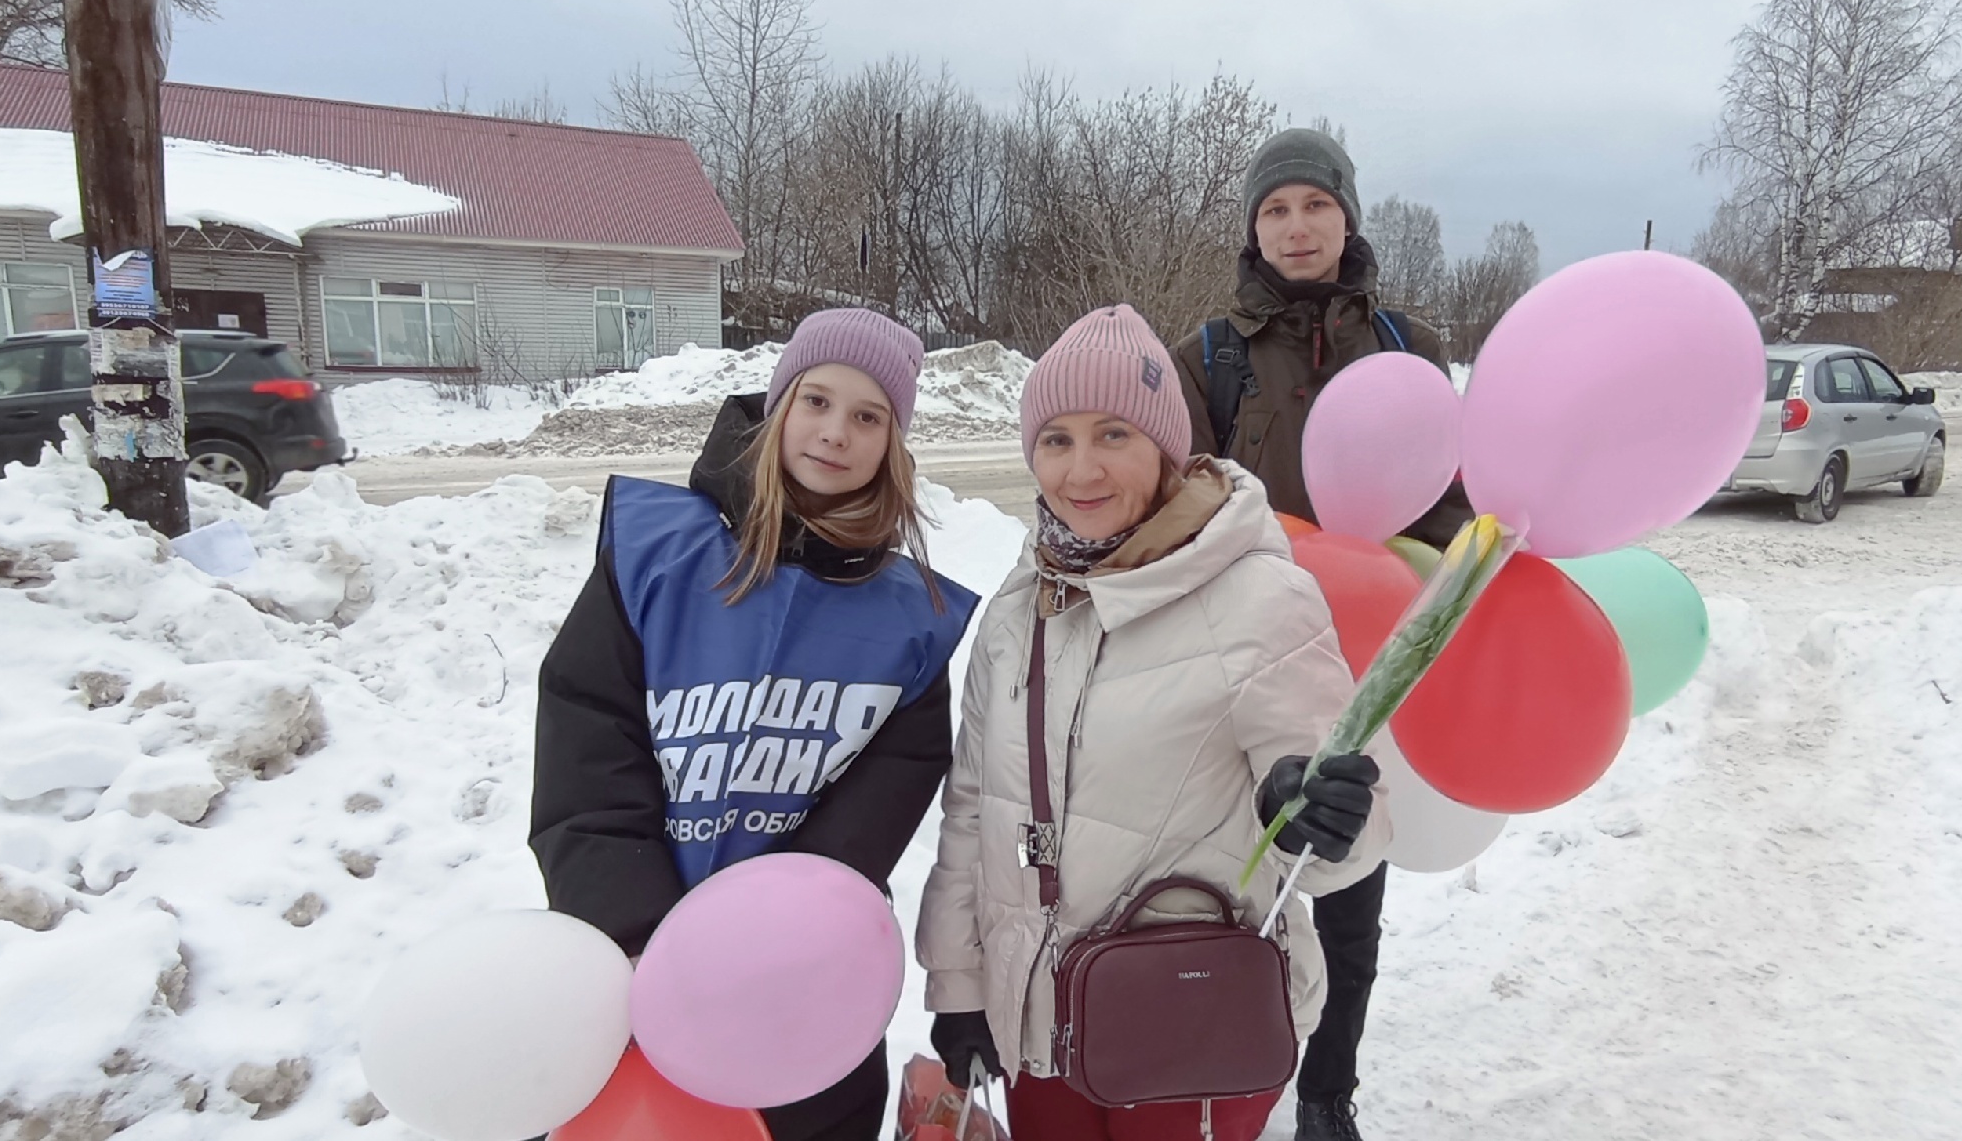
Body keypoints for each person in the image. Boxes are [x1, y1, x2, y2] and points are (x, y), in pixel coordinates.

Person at [916, 304, 1391, 1141]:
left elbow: (1340, 844)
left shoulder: (1258, 598)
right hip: (1039, 1027)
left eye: (1114, 434)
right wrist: (958, 987)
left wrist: (1314, 816)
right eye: (1055, 438)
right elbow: (972, 807)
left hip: (1192, 1026)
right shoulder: (1018, 610)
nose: (1080, 468)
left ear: (1168, 448)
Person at [531, 308, 978, 1141]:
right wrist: (636, 929)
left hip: (793, 985)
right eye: (815, 400)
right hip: (624, 958)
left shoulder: (913, 620)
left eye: (867, 416)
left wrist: (770, 949)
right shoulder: (656, 555)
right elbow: (589, 738)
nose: (835, 432)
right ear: (778, 407)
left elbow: (883, 799)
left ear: (893, 443)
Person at [1167, 127, 1472, 1141]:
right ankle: (1211, 1075)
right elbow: (1172, 512)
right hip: (1240, 664)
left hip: (1366, 668)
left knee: (1349, 899)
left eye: (1314, 205)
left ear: (1347, 215)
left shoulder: (1406, 347)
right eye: (1274, 210)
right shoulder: (1206, 354)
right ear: (1253, 230)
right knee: (1226, 885)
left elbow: (1449, 502)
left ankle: (1328, 1092)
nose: (1296, 227)